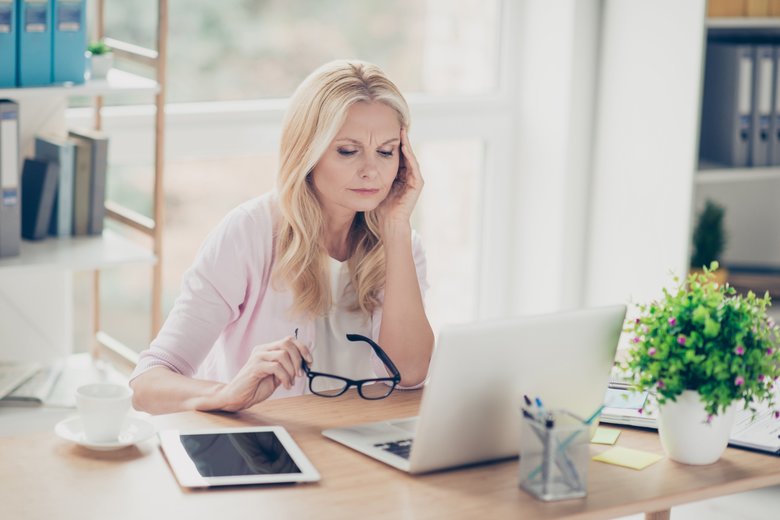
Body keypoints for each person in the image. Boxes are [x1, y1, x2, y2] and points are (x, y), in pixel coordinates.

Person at [130, 60, 435, 414]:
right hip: (263, 448)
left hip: (356, 447)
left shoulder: (401, 244)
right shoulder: (249, 232)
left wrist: (396, 229)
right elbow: (148, 383)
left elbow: (411, 374)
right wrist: (226, 393)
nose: (371, 171)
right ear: (308, 151)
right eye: (348, 151)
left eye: (386, 151)